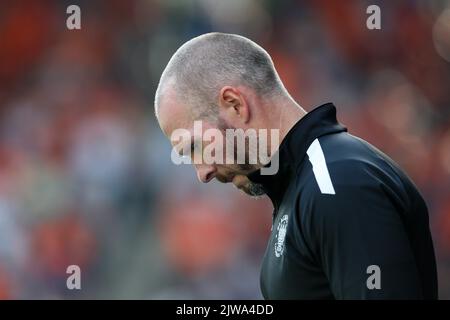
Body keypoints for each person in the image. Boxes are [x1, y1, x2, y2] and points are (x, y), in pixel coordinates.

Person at [154, 32, 438, 299]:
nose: (202, 172)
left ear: (235, 104)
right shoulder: (304, 187)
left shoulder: (337, 183)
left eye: (194, 146)